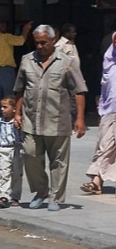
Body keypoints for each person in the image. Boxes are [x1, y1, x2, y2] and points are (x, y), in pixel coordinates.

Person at [13, 24, 88, 212]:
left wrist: (80, 119)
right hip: (31, 120)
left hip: (58, 120)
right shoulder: (26, 60)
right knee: (30, 155)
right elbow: (20, 89)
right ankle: (41, 190)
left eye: (44, 42)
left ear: (53, 41)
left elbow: (79, 91)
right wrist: (17, 113)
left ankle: (56, 197)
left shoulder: (67, 62)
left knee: (59, 162)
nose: (40, 46)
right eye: (37, 43)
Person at [81, 31, 116, 195]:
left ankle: (96, 181)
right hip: (110, 109)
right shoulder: (109, 63)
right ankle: (96, 181)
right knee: (105, 144)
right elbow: (106, 87)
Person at [0, 19, 33, 120]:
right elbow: (21, 41)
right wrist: (25, 31)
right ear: (0, 28)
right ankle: (9, 119)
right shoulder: (6, 37)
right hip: (6, 71)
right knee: (8, 97)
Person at [0, 96, 23, 208]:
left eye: (5, 107)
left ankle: (15, 196)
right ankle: (3, 196)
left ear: (14, 108)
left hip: (17, 149)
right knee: (4, 173)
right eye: (1, 107)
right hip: (4, 149)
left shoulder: (18, 121)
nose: (2, 109)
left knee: (17, 174)